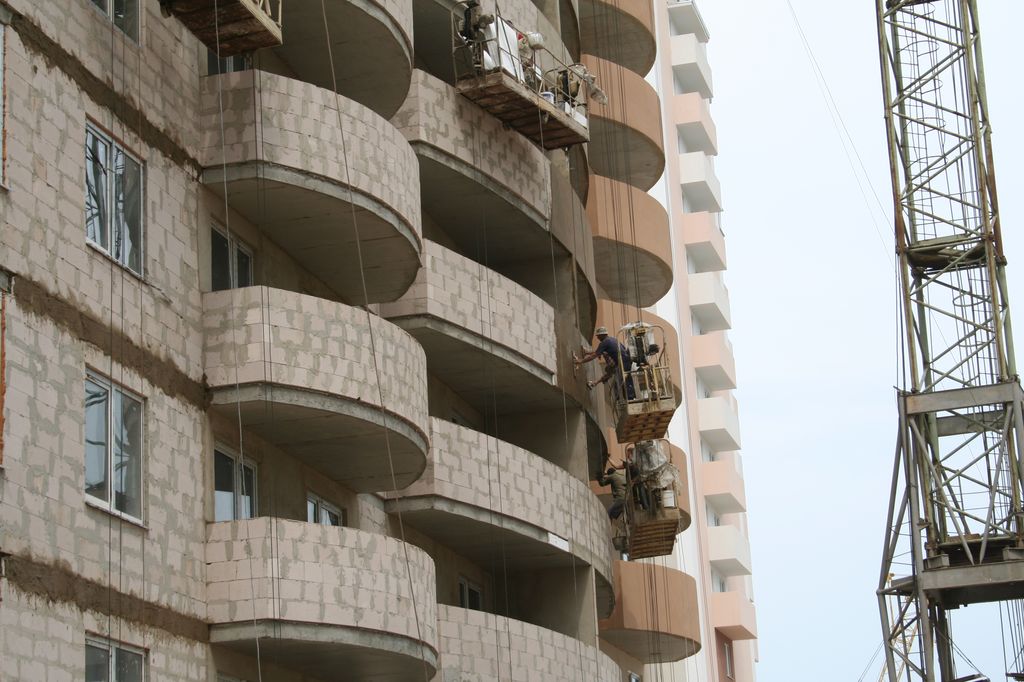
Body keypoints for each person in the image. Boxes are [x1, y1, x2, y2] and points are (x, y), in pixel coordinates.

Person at [574, 326, 633, 397]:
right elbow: (622, 348)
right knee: (620, 379)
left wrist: (580, 361)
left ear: (602, 335)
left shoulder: (605, 342)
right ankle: (594, 383)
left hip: (622, 363)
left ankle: (625, 397)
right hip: (626, 362)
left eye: (598, 336)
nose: (597, 338)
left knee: (619, 382)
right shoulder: (613, 339)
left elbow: (594, 356)